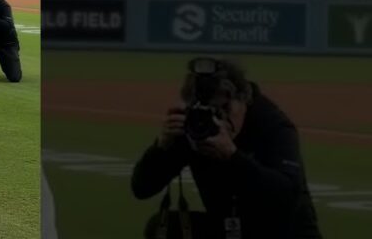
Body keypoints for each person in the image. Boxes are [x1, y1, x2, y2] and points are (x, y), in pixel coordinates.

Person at [131, 57, 321, 239]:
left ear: (243, 99)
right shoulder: (197, 124)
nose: (218, 119)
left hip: (283, 232)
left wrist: (233, 156)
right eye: (211, 111)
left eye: (224, 109)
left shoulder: (273, 125)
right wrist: (161, 147)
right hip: (231, 228)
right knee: (162, 228)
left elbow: (286, 199)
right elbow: (142, 189)